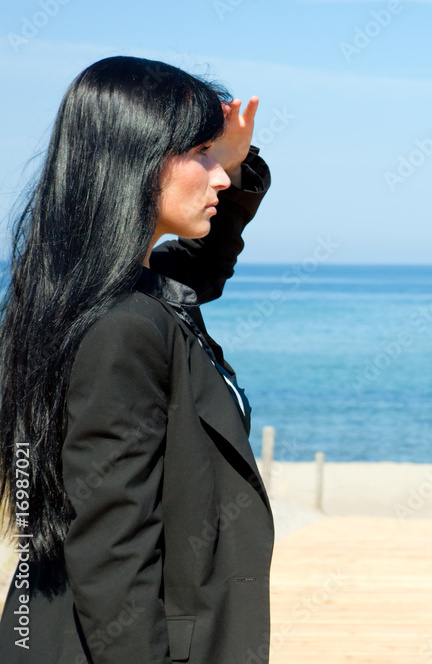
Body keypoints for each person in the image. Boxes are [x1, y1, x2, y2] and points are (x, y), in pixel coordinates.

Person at [0, 55, 275, 663]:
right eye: (200, 154)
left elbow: (202, 267)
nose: (220, 178)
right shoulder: (122, 325)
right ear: (136, 160)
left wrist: (232, 159)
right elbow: (113, 551)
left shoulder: (102, 293)